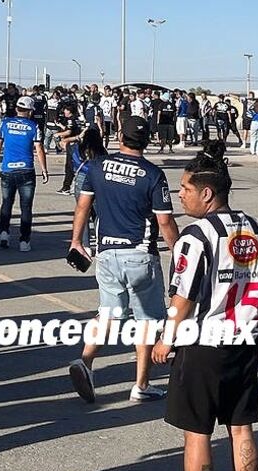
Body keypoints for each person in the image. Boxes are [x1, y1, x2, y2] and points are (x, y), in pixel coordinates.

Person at [149, 142, 258, 471]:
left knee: (198, 432)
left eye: (185, 189)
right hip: (244, 340)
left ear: (207, 193)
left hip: (204, 344)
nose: (180, 195)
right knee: (241, 429)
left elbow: (184, 297)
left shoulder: (196, 237)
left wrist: (165, 339)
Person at [67, 116, 178, 404]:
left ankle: (86, 360)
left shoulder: (97, 166)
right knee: (147, 321)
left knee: (109, 312)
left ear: (120, 137)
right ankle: (141, 384)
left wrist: (76, 241)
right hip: (140, 254)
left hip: (106, 253)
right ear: (148, 140)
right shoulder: (153, 174)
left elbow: (82, 206)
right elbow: (164, 221)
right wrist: (178, 253)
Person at [0, 95, 48, 252]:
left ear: (16, 109)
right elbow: (39, 149)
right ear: (30, 112)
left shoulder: (5, 124)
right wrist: (44, 169)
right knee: (26, 207)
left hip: (8, 169)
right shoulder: (33, 126)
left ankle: (4, 233)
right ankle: (24, 240)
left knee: (6, 203)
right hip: (26, 170)